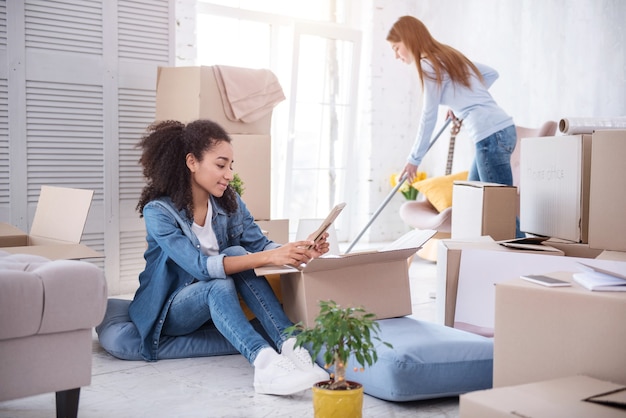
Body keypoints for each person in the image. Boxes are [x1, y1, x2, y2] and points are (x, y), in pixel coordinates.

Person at [129, 119, 330, 396]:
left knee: (236, 253)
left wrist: (299, 250)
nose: (228, 175)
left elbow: (261, 245)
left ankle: (293, 347)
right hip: (172, 308)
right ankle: (265, 365)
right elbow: (201, 268)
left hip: (219, 303)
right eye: (221, 165)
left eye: (230, 166)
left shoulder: (228, 201)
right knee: (219, 280)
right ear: (192, 162)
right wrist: (269, 256)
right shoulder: (159, 213)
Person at [387, 15, 523, 238]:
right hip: (502, 130)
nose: (396, 55)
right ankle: (473, 255)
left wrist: (414, 160)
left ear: (408, 40)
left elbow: (428, 116)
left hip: (490, 136)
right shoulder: (448, 56)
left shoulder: (427, 64)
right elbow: (491, 73)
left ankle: (525, 258)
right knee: (471, 203)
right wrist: (460, 103)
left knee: (500, 209)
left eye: (396, 47)